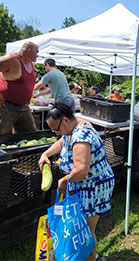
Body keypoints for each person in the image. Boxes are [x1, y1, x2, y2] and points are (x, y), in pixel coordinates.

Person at [38, 102, 115, 261]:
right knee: (79, 229)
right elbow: (62, 141)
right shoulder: (73, 126)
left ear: (65, 120)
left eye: (56, 129)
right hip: (83, 185)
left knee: (86, 230)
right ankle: (86, 255)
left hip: (93, 187)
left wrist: (64, 180)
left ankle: (90, 257)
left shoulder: (81, 136)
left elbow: (81, 169)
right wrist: (46, 153)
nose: (57, 133)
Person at [0, 41, 38, 136]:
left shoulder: (29, 63)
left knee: (30, 136)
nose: (37, 55)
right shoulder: (12, 59)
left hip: (24, 107)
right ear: (29, 51)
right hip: (6, 106)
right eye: (36, 52)